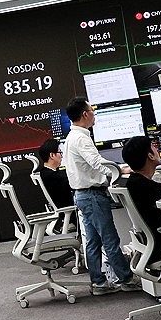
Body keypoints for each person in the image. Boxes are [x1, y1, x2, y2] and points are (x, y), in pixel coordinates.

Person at [62, 97, 141, 294]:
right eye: (92, 110)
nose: (94, 114)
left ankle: (98, 282)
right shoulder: (81, 138)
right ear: (85, 114)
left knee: (93, 241)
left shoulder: (72, 137)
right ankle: (126, 279)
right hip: (92, 196)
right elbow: (97, 163)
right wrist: (121, 170)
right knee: (109, 239)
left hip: (82, 195)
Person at [36, 138, 72, 210]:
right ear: (52, 155)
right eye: (60, 152)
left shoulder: (45, 173)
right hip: (68, 210)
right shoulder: (53, 177)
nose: (62, 156)